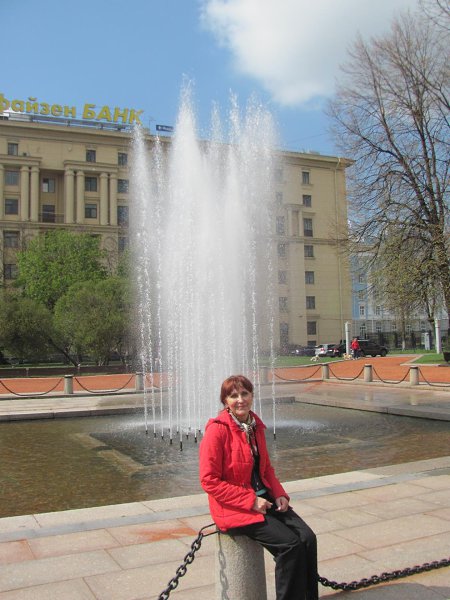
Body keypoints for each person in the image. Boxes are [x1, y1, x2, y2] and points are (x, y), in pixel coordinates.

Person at [199, 374, 318, 600]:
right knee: (290, 546)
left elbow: (266, 469)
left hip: (265, 499)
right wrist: (250, 500)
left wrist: (279, 494)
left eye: (244, 394)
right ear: (225, 401)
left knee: (308, 538)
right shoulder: (217, 430)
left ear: (252, 395)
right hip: (235, 508)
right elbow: (209, 480)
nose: (240, 400)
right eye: (233, 396)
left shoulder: (255, 426)